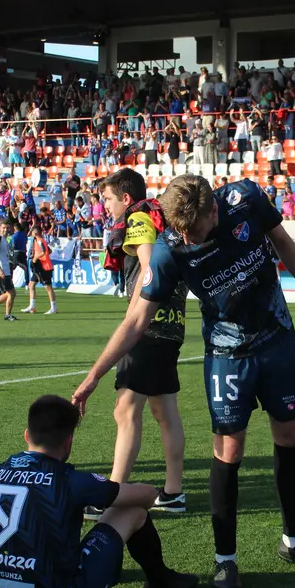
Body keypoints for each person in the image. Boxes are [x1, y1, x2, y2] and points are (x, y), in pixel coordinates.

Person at [72, 175, 295, 588]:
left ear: (215, 210)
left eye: (198, 230)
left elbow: (281, 241)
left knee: (290, 433)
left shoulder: (244, 199)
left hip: (277, 340)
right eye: (183, 233)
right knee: (229, 448)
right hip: (228, 354)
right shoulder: (167, 249)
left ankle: (294, 541)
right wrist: (93, 375)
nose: (191, 239)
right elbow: (137, 319)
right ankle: (225, 559)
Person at [0, 396, 198, 588]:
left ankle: (112, 572)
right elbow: (145, 497)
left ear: (26, 435)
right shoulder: (71, 481)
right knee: (132, 510)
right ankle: (160, 580)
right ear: (69, 442)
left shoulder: (0, 471)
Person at [93, 168, 188, 517]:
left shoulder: (138, 219)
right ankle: (173, 492)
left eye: (107, 199)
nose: (105, 206)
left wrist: (133, 318)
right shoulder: (162, 218)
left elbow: (149, 270)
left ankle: (113, 492)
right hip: (172, 323)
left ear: (126, 198)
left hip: (148, 327)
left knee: (125, 409)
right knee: (164, 410)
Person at [23, 225, 58, 315]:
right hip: (39, 267)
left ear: (35, 233)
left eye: (32, 232)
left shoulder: (39, 241)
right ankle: (32, 306)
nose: (31, 233)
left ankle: (53, 307)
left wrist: (35, 258)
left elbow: (44, 252)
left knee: (48, 287)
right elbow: (49, 251)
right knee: (31, 285)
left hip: (44, 267)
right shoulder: (38, 241)